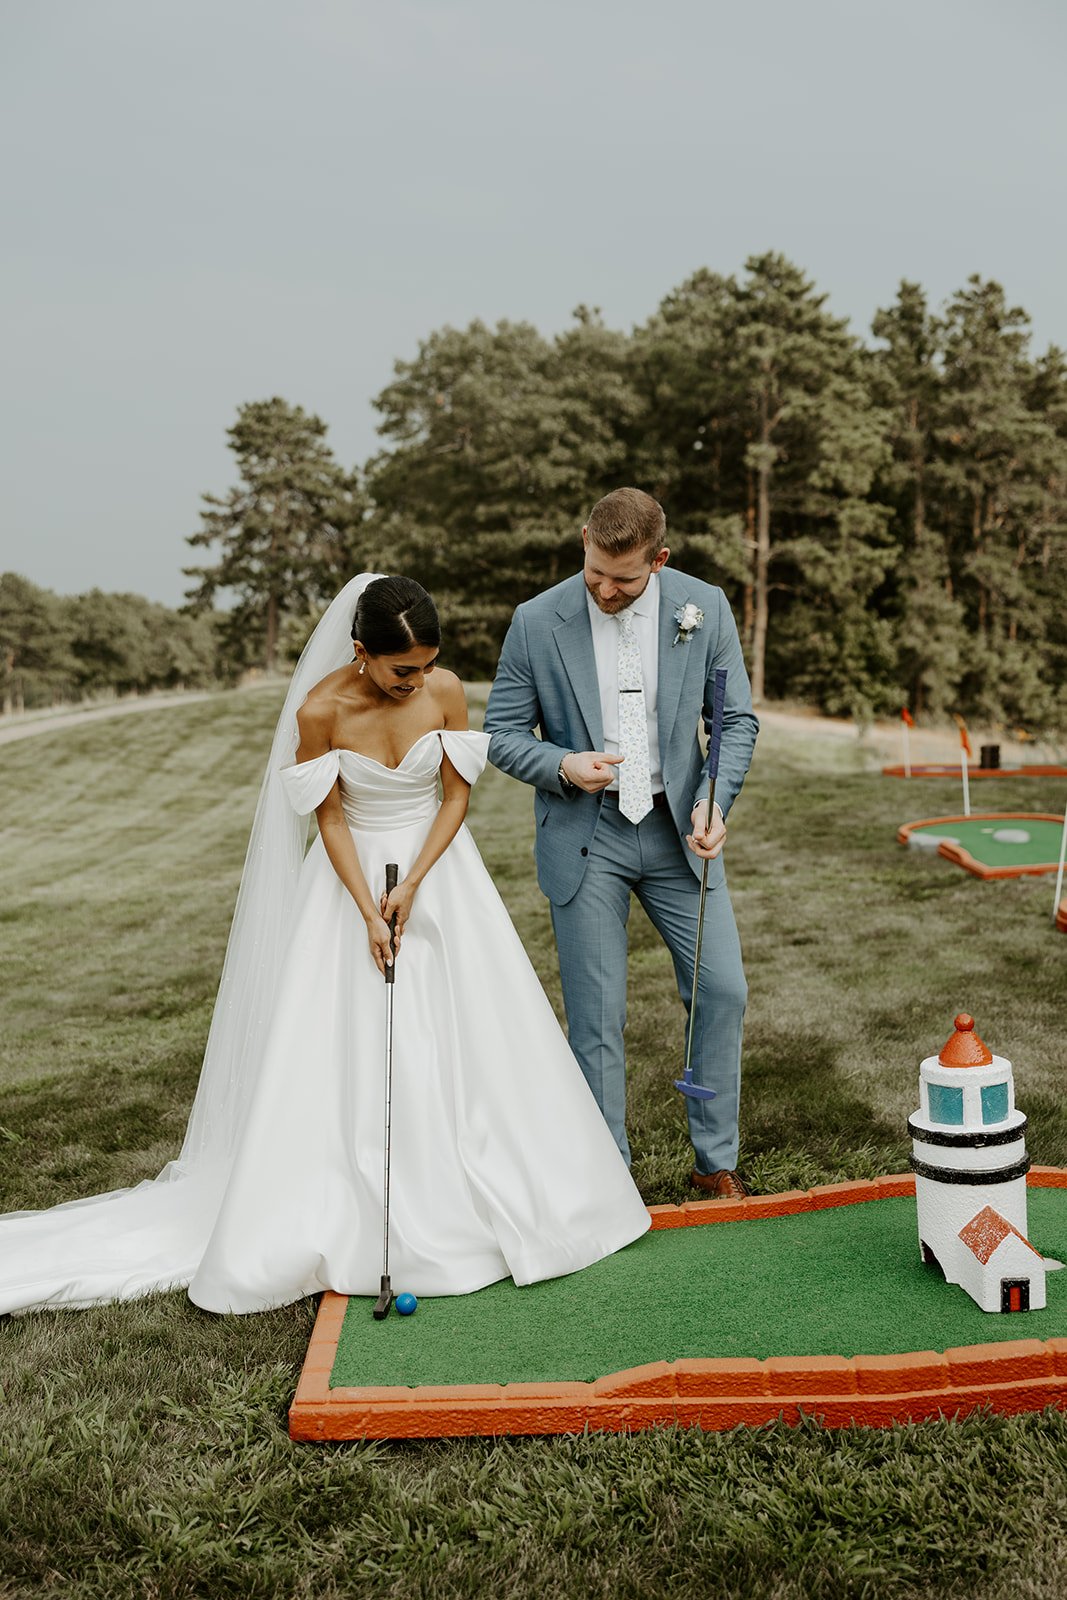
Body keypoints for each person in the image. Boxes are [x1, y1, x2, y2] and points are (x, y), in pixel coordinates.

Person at [0, 574, 649, 1316]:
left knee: (473, 1032)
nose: (416, 682)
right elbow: (330, 821)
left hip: (438, 874)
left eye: (426, 665)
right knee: (345, 1042)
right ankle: (351, 1203)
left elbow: (457, 796)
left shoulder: (443, 691)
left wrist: (411, 888)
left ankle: (500, 1197)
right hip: (349, 882)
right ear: (360, 653)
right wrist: (369, 912)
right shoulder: (320, 710)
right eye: (401, 668)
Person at [484, 488, 758, 1198]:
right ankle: (607, 1177)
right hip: (587, 836)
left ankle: (713, 1161)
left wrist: (712, 800)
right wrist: (562, 765)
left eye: (624, 579)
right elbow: (503, 735)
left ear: (658, 560)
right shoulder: (535, 621)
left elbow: (733, 723)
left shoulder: (706, 608)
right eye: (594, 571)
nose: (605, 589)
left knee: (721, 992)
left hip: (676, 833)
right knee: (597, 1018)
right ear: (583, 540)